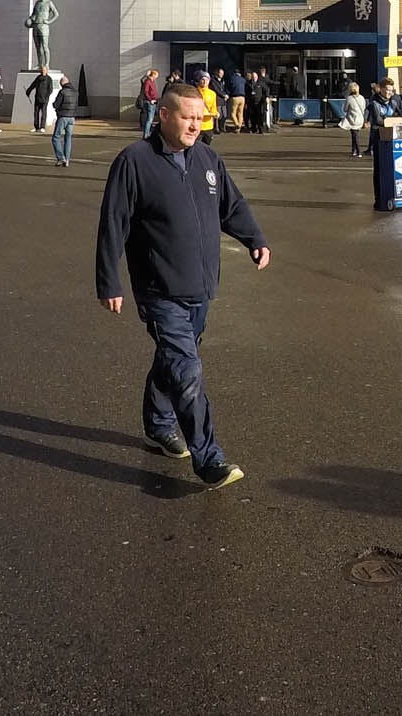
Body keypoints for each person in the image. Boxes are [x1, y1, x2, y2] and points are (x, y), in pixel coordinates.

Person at [95, 82, 269, 490]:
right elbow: (112, 225)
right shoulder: (134, 161)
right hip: (159, 289)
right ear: (165, 116)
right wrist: (108, 281)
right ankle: (209, 460)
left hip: (201, 287)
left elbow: (233, 206)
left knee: (173, 360)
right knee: (187, 369)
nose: (196, 124)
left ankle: (158, 424)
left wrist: (255, 240)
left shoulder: (207, 159)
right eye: (188, 117)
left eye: (200, 117)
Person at [340, 80, 367, 157]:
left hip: (353, 119)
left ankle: (358, 151)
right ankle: (354, 150)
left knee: (354, 136)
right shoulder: (362, 98)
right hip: (360, 119)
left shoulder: (349, 98)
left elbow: (345, 109)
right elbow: (364, 107)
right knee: (355, 135)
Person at [192, 71, 218, 145]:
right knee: (195, 147)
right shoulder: (194, 92)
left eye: (207, 80)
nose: (204, 81)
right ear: (199, 80)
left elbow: (213, 108)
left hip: (208, 125)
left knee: (207, 147)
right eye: (202, 79)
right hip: (197, 125)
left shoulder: (212, 94)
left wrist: (215, 113)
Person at [27, 67, 54, 133]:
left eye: (44, 70)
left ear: (46, 71)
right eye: (42, 70)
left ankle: (42, 127)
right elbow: (33, 85)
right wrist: (28, 91)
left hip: (44, 99)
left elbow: (50, 89)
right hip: (37, 98)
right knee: (36, 112)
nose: (43, 71)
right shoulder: (38, 78)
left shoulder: (49, 79)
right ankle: (36, 127)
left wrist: (46, 96)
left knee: (44, 113)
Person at [136, 68, 160, 138]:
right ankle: (146, 134)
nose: (157, 76)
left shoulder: (152, 81)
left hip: (153, 101)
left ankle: (147, 133)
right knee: (149, 119)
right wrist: (150, 99)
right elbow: (146, 91)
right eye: (156, 75)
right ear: (153, 75)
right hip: (150, 102)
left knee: (150, 118)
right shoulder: (148, 81)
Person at [224, 66, 246, 134]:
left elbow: (228, 87)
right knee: (240, 113)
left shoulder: (232, 79)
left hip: (235, 97)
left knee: (233, 113)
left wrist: (227, 94)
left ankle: (237, 125)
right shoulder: (243, 79)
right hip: (242, 98)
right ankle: (238, 129)